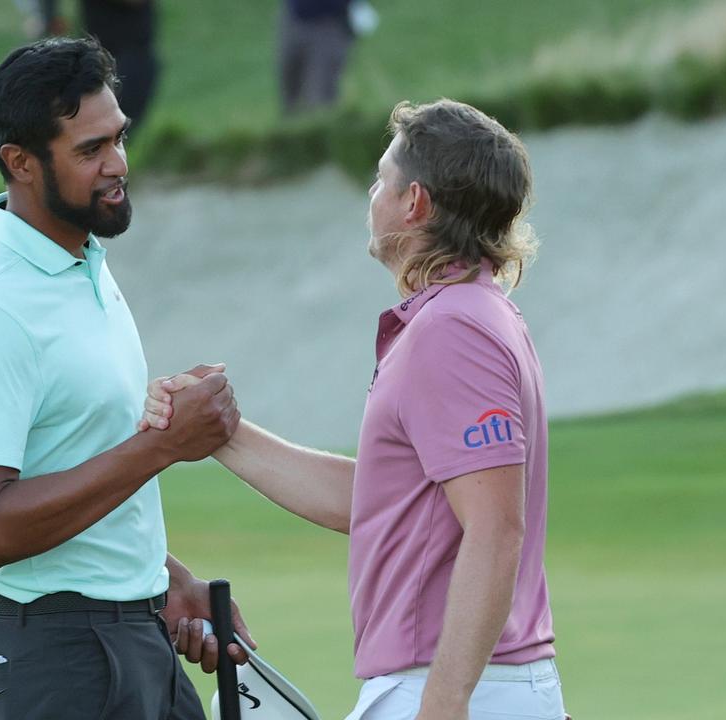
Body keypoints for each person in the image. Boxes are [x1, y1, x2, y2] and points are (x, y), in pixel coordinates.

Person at [143, 99, 567, 720]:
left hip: (451, 685)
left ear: (415, 203)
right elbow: (371, 502)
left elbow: (497, 528)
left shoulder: (455, 329)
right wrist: (217, 431)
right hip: (470, 683)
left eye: (380, 179)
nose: (372, 195)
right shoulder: (470, 316)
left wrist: (444, 702)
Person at [0, 37, 251, 719]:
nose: (117, 166)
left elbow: (79, 460)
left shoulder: (84, 263)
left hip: (135, 635)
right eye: (90, 151)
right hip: (55, 659)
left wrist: (166, 580)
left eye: (118, 139)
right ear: (20, 162)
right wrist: (164, 445)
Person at [278, 0, 354, 115]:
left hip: (330, 23)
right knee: (290, 90)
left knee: (319, 95)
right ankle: (292, 128)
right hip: (294, 17)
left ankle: (321, 128)